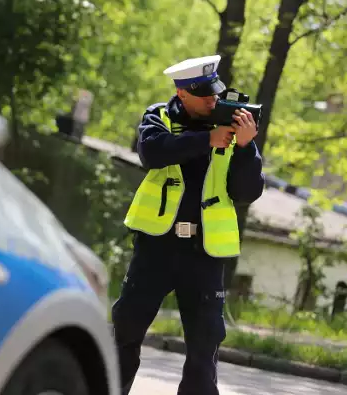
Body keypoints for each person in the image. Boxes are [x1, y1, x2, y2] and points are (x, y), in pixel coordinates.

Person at [111, 55, 265, 395]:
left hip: (205, 252)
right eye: (205, 95)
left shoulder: (232, 127)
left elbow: (247, 192)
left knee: (204, 346)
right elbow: (151, 152)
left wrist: (245, 147)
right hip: (157, 247)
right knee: (125, 332)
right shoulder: (160, 117)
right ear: (183, 95)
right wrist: (206, 141)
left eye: (216, 92)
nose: (214, 100)